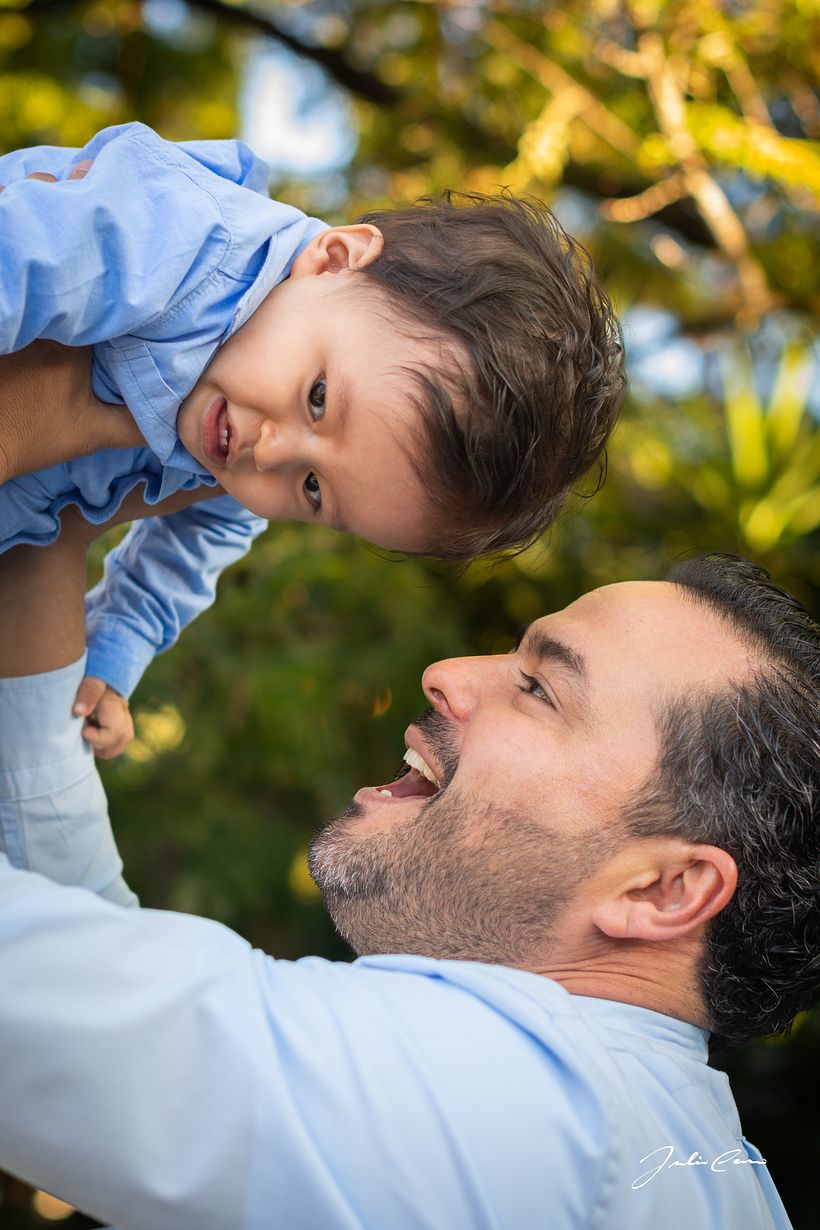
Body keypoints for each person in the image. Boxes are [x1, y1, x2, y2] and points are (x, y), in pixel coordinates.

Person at [0, 529, 816, 1229]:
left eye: (538, 687)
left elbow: (45, 1007)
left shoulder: (531, 1106)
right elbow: (88, 973)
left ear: (662, 891)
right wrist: (48, 536)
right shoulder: (699, 1166)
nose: (447, 672)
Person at [0, 121, 625, 756]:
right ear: (334, 261)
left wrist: (115, 645)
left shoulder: (237, 430)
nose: (269, 453)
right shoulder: (179, 240)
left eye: (313, 488)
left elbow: (203, 538)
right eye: (319, 398)